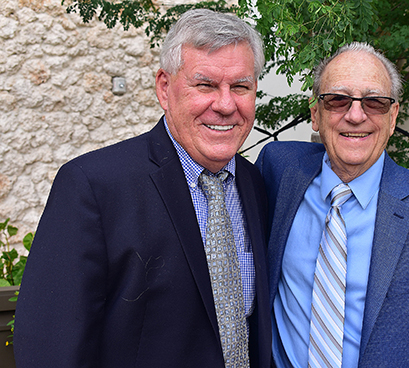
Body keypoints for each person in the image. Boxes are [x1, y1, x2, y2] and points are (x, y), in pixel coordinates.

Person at [14, 9, 271, 368]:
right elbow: (50, 346)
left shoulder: (256, 184)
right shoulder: (93, 186)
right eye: (205, 85)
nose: (226, 105)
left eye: (240, 87)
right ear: (165, 88)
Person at [256, 42, 409, 367]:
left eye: (374, 102)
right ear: (315, 114)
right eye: (337, 99)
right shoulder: (279, 169)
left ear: (392, 117)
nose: (355, 115)